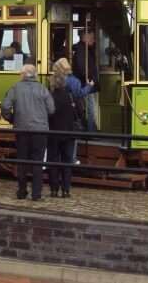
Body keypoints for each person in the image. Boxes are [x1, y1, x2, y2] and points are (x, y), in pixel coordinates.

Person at [1, 64, 55, 201]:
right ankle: (36, 194)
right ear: (35, 75)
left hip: (22, 130)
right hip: (40, 131)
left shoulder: (16, 88)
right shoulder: (43, 89)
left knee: (22, 161)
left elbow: (5, 106)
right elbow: (51, 109)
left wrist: (12, 119)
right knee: (37, 161)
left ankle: (22, 191)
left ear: (22, 75)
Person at [48, 58, 94, 198]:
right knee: (67, 160)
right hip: (69, 130)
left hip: (54, 131)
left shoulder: (50, 96)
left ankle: (54, 189)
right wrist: (89, 86)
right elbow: (78, 103)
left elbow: (49, 112)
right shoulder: (71, 92)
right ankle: (66, 190)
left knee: (54, 160)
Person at [72, 29, 98, 132]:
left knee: (89, 108)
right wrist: (89, 79)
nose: (94, 40)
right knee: (90, 109)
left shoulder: (85, 49)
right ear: (85, 37)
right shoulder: (81, 50)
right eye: (91, 38)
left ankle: (91, 129)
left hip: (86, 83)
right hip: (86, 84)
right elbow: (82, 67)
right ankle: (91, 132)